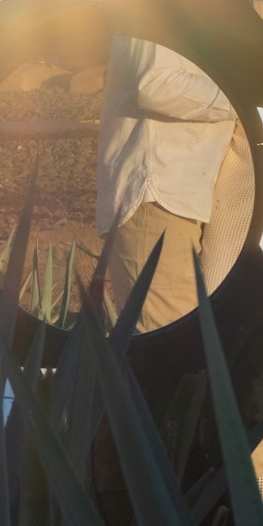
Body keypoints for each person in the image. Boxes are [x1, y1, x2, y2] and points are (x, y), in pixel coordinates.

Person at [96, 34, 239, 330]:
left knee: (185, 349)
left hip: (178, 201)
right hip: (157, 199)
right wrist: (244, 95)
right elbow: (155, 83)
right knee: (171, 355)